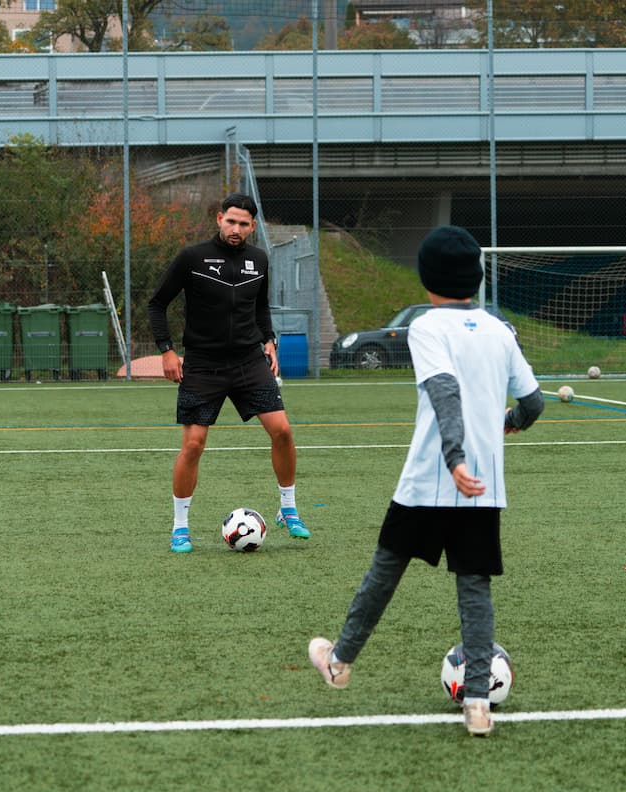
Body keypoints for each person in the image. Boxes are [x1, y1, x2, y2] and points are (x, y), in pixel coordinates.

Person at [306, 226, 545, 737]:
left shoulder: (427, 326)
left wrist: (453, 457)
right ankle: (478, 704)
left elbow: (443, 391)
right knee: (474, 589)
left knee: (385, 572)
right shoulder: (501, 330)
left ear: (427, 278)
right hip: (483, 485)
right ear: (476, 278)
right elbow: (533, 403)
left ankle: (340, 662)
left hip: (428, 480)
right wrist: (506, 426)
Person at [147, 193, 310, 553]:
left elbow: (261, 307)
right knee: (193, 444)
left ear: (253, 226)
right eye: (230, 221)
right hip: (203, 364)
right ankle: (180, 527)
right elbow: (158, 304)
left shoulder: (259, 259)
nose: (235, 229)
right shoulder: (192, 258)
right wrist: (167, 350)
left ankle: (287, 509)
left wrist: (269, 341)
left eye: (243, 224)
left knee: (282, 430)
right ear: (219, 219)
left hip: (249, 362)